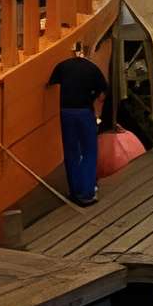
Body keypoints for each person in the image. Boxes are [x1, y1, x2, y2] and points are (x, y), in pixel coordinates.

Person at [48, 37, 110, 207]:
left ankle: (75, 191)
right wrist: (93, 98)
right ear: (85, 52)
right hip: (84, 111)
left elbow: (51, 83)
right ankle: (87, 192)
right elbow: (103, 91)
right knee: (89, 151)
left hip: (65, 112)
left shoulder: (63, 66)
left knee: (71, 152)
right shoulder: (92, 68)